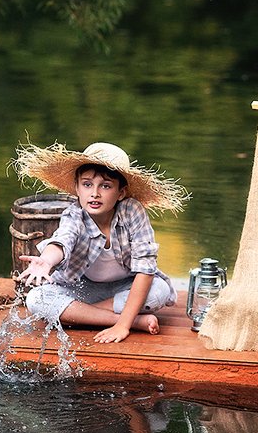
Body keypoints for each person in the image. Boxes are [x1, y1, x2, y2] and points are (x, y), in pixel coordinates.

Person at [12, 142, 189, 343]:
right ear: (77, 189)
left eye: (105, 186)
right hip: (83, 288)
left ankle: (83, 315)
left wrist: (122, 328)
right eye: (87, 184)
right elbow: (62, 240)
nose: (95, 193)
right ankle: (133, 321)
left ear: (121, 192)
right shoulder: (74, 215)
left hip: (124, 287)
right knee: (37, 299)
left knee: (159, 292)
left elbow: (145, 269)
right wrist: (46, 260)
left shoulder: (132, 211)